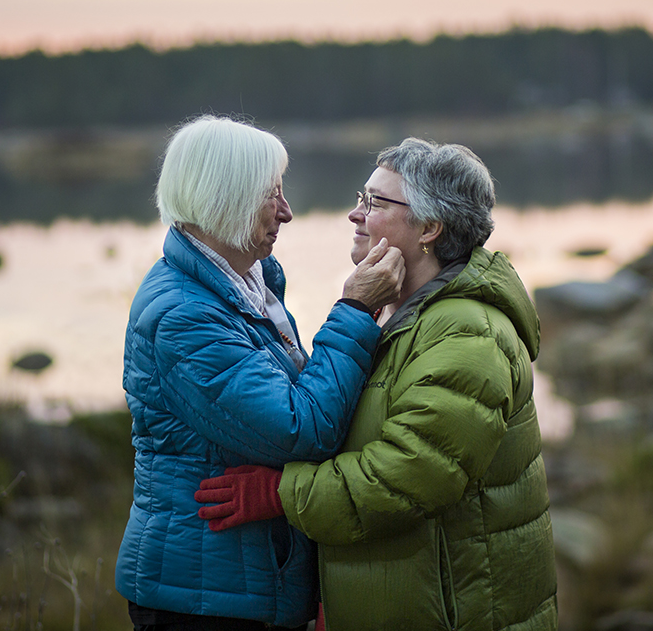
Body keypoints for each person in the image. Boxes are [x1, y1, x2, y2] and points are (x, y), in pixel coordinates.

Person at [196, 138, 558, 631]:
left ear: (430, 227)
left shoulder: (468, 332)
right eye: (361, 197)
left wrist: (282, 492)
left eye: (375, 203)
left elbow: (410, 475)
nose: (354, 214)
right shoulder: (394, 315)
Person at [115, 115, 406, 631]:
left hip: (246, 581)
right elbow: (304, 429)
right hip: (204, 599)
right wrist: (356, 311)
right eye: (271, 194)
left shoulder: (248, 284)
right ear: (223, 198)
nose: (287, 212)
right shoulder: (184, 315)